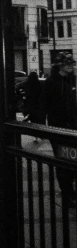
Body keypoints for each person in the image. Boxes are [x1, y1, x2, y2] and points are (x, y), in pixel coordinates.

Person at [44, 54, 77, 207]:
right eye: (68, 64)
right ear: (60, 66)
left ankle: (71, 192)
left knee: (72, 160)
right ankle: (67, 193)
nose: (71, 66)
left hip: (72, 128)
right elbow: (46, 105)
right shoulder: (52, 82)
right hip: (58, 129)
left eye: (72, 63)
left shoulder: (72, 80)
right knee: (64, 162)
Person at [23, 71, 45, 143]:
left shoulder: (27, 84)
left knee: (33, 121)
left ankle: (35, 136)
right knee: (39, 121)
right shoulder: (39, 84)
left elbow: (25, 94)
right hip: (38, 105)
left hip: (31, 105)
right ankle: (41, 134)